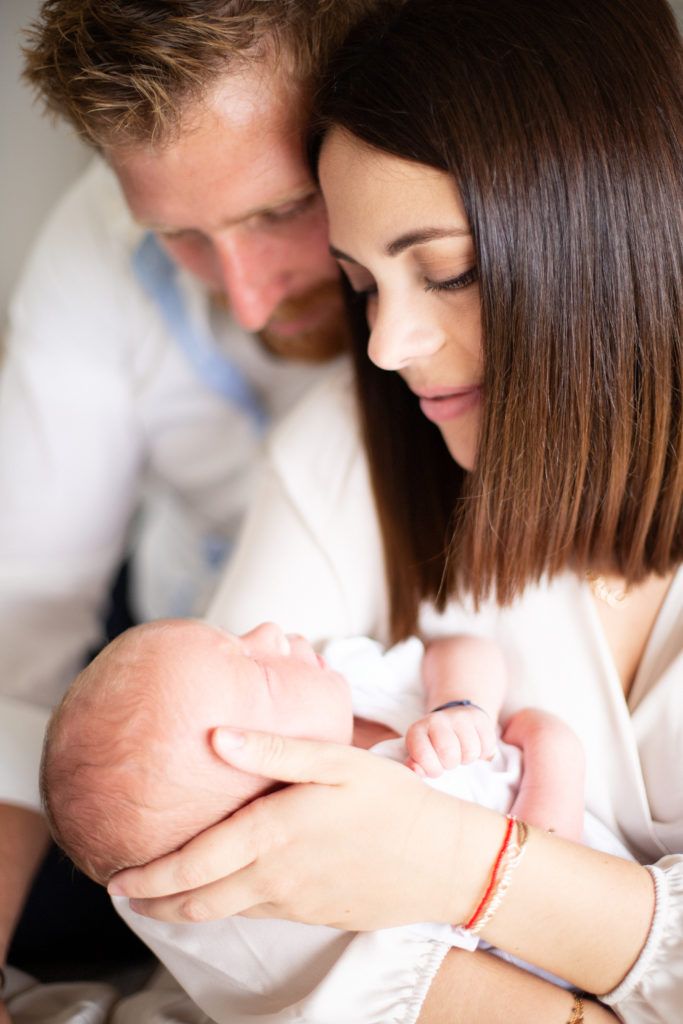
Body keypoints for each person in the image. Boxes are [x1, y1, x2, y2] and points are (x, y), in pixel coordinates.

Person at [108, 1, 683, 1022]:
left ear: (610, 228)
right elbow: (194, 873)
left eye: (447, 270)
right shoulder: (347, 443)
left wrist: (458, 865)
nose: (383, 345)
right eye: (361, 284)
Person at [0, 0, 389, 1002]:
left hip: (361, 677)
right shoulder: (89, 252)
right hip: (160, 671)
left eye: (279, 211)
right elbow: (24, 627)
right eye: (179, 235)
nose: (248, 297)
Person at [41, 617, 620, 1022]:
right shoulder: (364, 877)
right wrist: (553, 755)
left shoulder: (352, 680)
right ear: (267, 809)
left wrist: (461, 704)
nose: (268, 632)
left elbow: (461, 648)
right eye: (259, 670)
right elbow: (540, 912)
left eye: (235, 637)